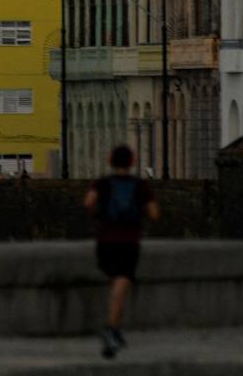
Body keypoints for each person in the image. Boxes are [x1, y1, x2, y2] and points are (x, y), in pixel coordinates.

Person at [83, 143, 159, 359]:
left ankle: (115, 329)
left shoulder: (103, 183)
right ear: (133, 162)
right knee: (121, 282)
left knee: (116, 283)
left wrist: (98, 217)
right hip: (128, 240)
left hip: (105, 240)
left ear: (110, 161)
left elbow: (88, 202)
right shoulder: (140, 185)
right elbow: (154, 213)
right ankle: (111, 329)